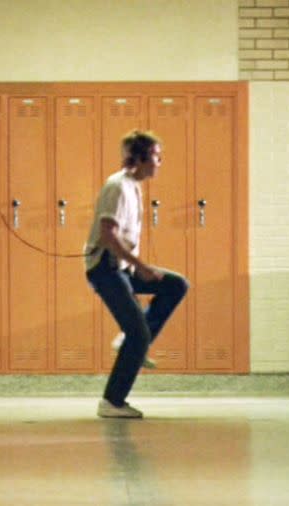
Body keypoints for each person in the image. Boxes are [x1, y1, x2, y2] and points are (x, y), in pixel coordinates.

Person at [84, 130, 189, 418]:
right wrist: (142, 266)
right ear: (141, 158)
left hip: (121, 268)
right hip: (105, 268)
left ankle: (130, 339)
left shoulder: (133, 186)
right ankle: (112, 401)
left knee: (176, 285)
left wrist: (136, 267)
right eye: (156, 156)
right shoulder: (117, 187)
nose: (160, 162)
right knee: (139, 335)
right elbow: (108, 236)